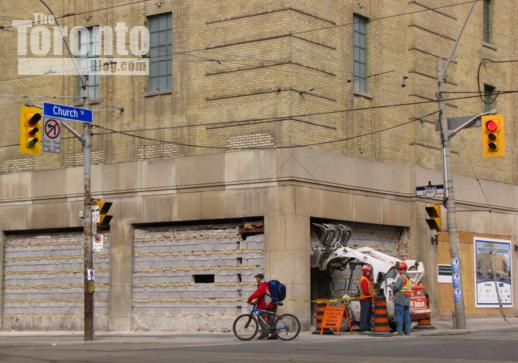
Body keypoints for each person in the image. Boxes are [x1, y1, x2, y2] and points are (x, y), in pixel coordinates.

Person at [247, 273, 278, 339]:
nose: (256, 279)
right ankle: (274, 334)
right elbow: (263, 296)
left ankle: (265, 333)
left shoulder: (263, 285)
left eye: (257, 278)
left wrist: (249, 299)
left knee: (260, 317)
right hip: (270, 304)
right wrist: (257, 301)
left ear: (260, 279)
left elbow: (257, 293)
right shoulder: (264, 284)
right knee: (270, 319)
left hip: (268, 304)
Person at [390, 262, 413, 336]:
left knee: (399, 316)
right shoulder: (408, 278)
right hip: (407, 299)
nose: (399, 271)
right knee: (407, 316)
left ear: (404, 270)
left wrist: (391, 285)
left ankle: (399, 331)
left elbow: (396, 287)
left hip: (400, 299)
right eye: (399, 269)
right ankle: (408, 331)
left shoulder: (400, 278)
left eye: (400, 269)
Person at [359, 264, 376, 332]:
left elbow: (370, 289)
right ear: (364, 272)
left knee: (368, 314)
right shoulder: (364, 279)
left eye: (369, 271)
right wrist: (372, 294)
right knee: (364, 314)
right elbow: (366, 291)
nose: (369, 273)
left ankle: (367, 327)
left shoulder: (367, 279)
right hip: (365, 299)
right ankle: (363, 328)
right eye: (367, 271)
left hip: (368, 299)